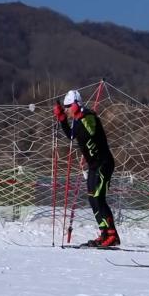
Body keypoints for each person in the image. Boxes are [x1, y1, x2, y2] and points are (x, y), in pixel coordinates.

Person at [53, 90, 119, 247]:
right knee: (92, 198)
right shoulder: (76, 120)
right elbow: (70, 135)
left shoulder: (88, 115)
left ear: (74, 106)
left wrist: (80, 114)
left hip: (104, 163)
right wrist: (62, 119)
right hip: (93, 166)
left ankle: (112, 235)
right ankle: (104, 233)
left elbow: (90, 129)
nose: (66, 110)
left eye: (67, 108)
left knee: (99, 197)